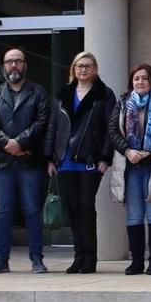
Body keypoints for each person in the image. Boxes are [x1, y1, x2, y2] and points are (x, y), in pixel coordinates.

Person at [0, 48, 53, 274]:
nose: (13, 66)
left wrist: (20, 143)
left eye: (17, 61)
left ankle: (37, 259)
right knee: (3, 211)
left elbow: (42, 122)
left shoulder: (38, 92)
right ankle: (1, 259)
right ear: (3, 67)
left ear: (25, 65)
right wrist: (7, 143)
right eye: (9, 62)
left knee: (32, 210)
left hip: (29, 161)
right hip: (2, 163)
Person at [46, 52, 115, 274]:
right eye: (79, 66)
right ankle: (78, 256)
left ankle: (90, 258)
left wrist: (105, 157)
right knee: (74, 209)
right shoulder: (63, 94)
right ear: (73, 69)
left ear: (95, 69)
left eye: (87, 66)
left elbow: (110, 128)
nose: (83, 70)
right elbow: (53, 127)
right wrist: (50, 157)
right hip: (65, 161)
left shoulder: (104, 94)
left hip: (89, 160)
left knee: (86, 208)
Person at [108, 63, 151, 275]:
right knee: (134, 216)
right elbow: (113, 132)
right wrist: (129, 151)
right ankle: (136, 262)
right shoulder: (123, 102)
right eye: (136, 78)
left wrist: (149, 151)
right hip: (130, 166)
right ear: (131, 82)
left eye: (145, 78)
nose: (140, 82)